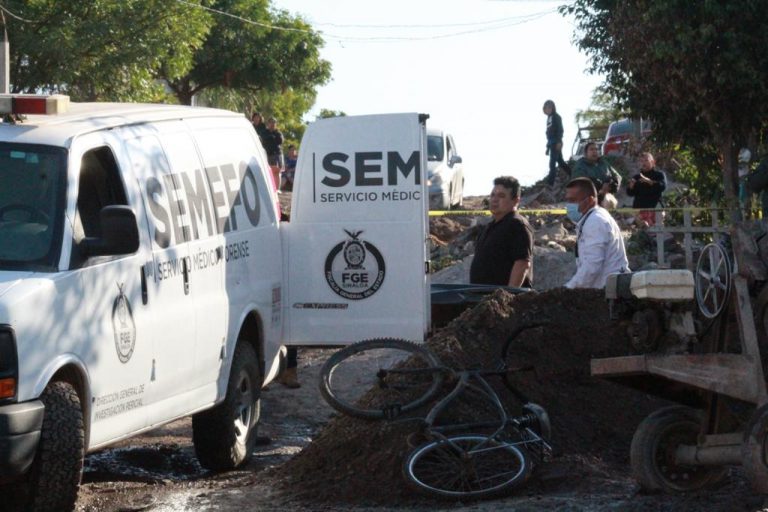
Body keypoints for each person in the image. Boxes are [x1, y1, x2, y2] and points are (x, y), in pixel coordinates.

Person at [565, 177, 629, 289]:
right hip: (607, 287)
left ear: (590, 200)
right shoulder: (593, 218)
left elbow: (592, 266)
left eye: (573, 200)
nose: (569, 205)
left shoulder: (595, 221)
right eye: (568, 200)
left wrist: (568, 288)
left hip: (609, 290)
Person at [470, 176, 533, 287]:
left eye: (501, 196)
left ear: (516, 201)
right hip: (481, 294)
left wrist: (508, 295)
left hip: (502, 296)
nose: (494, 200)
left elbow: (522, 264)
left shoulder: (517, 225)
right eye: (492, 195)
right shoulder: (490, 226)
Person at [626, 152, 667, 226]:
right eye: (641, 161)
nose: (643, 163)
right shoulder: (636, 177)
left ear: (653, 162)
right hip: (639, 211)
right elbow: (630, 193)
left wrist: (649, 181)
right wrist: (631, 186)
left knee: (657, 230)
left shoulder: (659, 175)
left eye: (646, 160)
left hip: (655, 210)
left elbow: (662, 186)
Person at [543, 100, 570, 186]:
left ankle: (550, 183)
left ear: (552, 108)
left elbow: (560, 130)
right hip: (551, 143)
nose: (547, 110)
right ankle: (572, 174)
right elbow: (549, 134)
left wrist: (559, 141)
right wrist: (547, 147)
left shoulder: (556, 117)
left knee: (552, 163)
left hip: (556, 142)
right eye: (546, 108)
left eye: (549, 108)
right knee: (560, 162)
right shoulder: (549, 118)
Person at [261, 117, 284, 191]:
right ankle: (270, 189)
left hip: (276, 154)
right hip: (267, 154)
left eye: (274, 122)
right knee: (268, 172)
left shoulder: (278, 133)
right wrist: (271, 138)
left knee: (276, 172)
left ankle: (277, 189)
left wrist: (272, 138)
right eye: (271, 122)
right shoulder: (264, 132)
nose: (272, 124)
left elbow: (280, 141)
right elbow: (264, 140)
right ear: (268, 124)